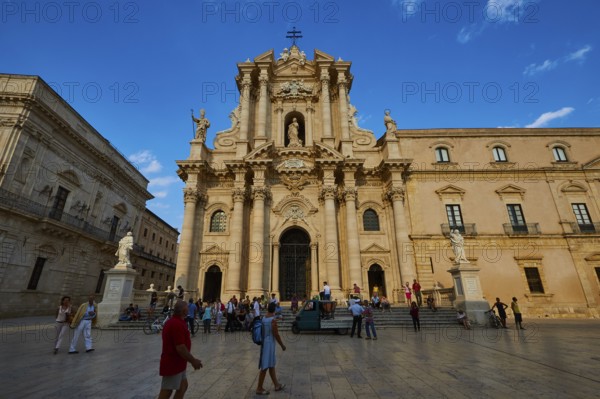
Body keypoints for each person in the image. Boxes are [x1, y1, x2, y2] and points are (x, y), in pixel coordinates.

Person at [157, 300, 202, 399]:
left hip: (179, 363)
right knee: (167, 390)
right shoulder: (176, 324)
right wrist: (193, 360)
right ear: (185, 311)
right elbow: (180, 347)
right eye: (187, 308)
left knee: (183, 387)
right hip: (173, 363)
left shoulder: (177, 322)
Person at [256, 302, 286, 395]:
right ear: (274, 310)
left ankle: (276, 385)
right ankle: (259, 388)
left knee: (271, 365)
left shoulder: (264, 318)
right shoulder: (272, 320)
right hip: (269, 344)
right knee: (265, 366)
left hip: (265, 343)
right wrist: (282, 345)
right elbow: (276, 334)